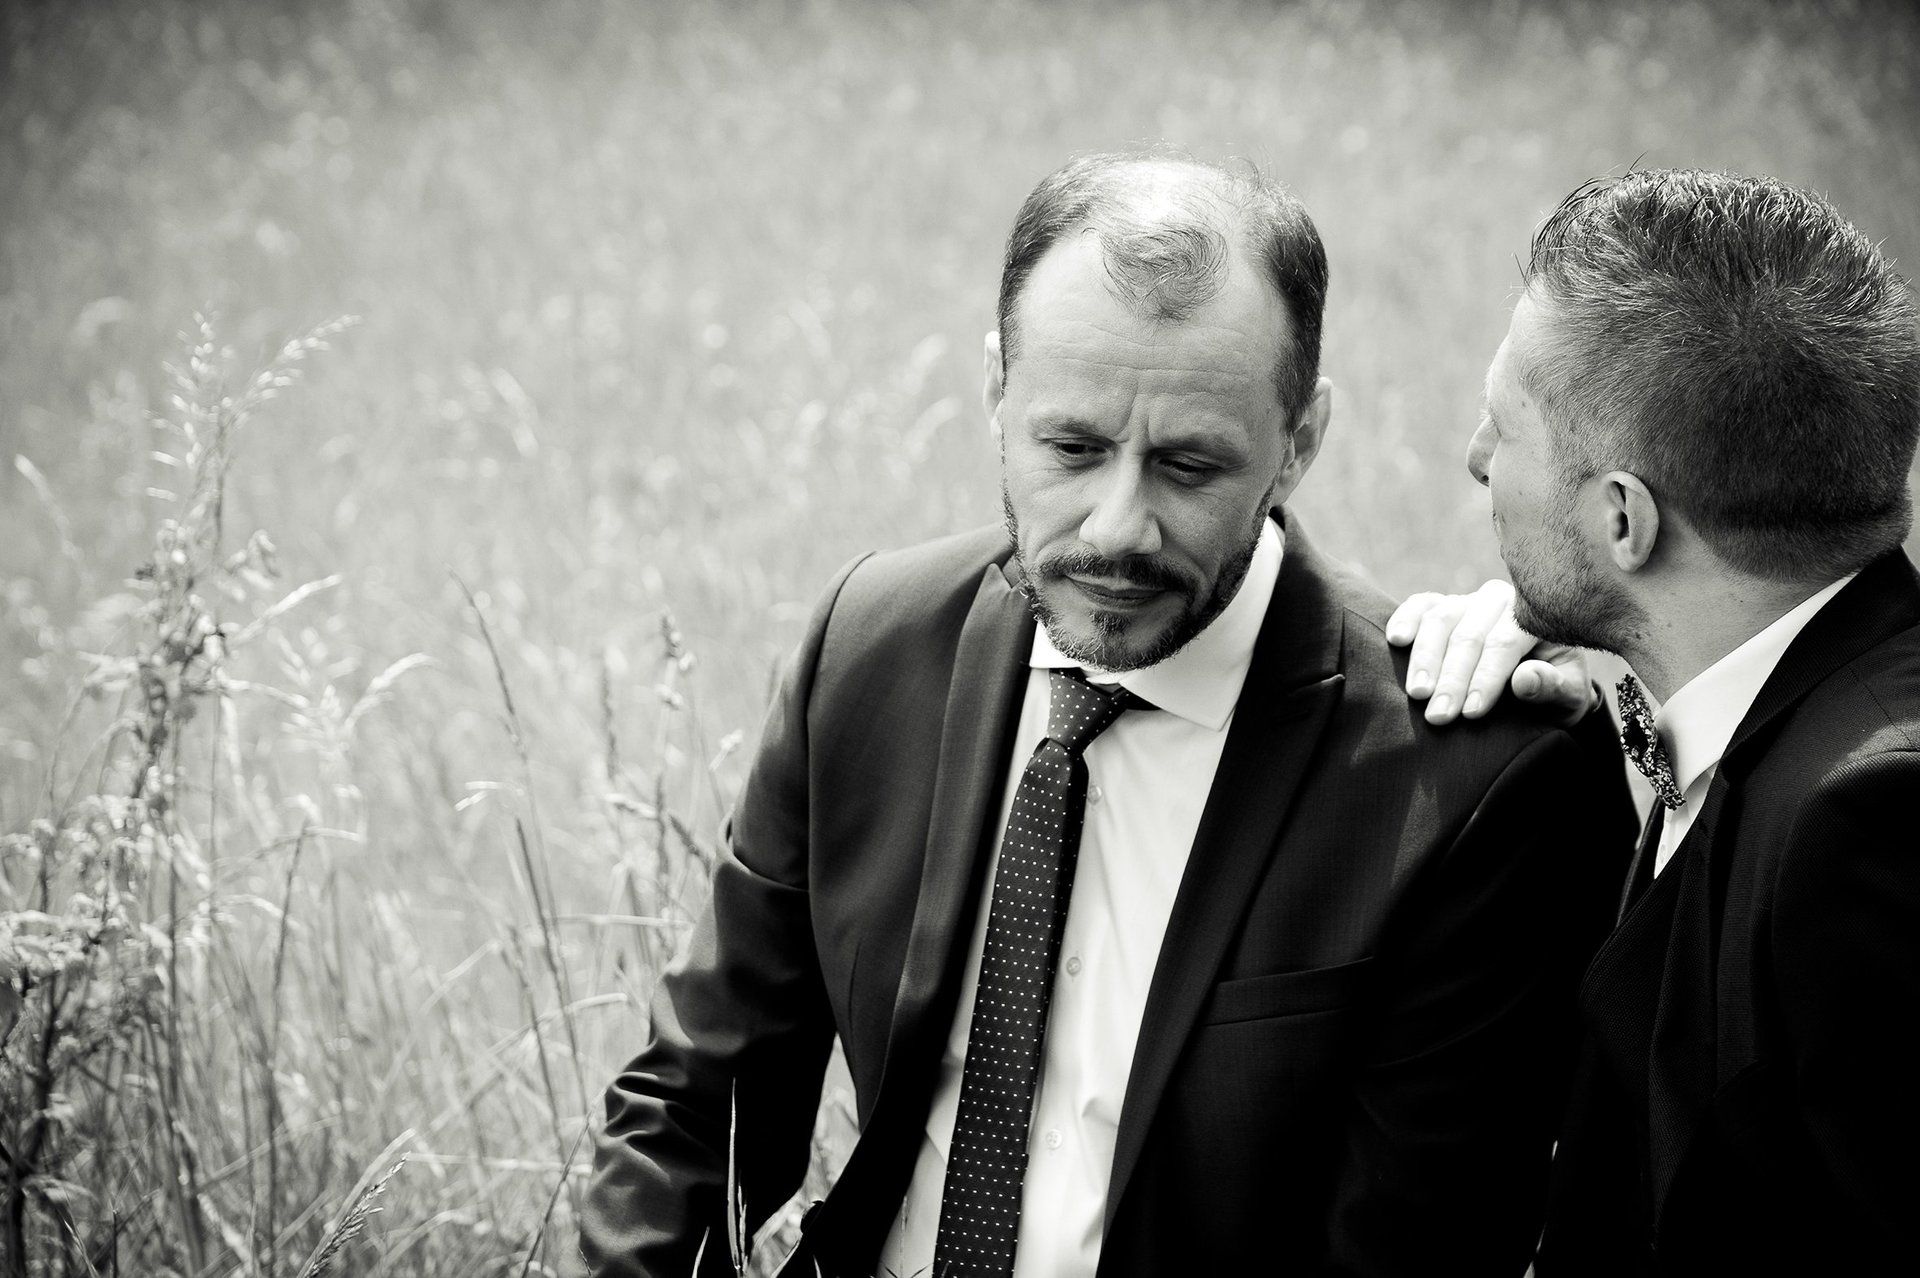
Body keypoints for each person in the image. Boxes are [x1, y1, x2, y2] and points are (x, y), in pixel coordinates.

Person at [578, 152, 1633, 1278]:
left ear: (1301, 441)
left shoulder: (1468, 782)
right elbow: (695, 1105)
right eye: (1072, 448)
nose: (1118, 529)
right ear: (995, 390)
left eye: (1188, 465)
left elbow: (1408, 1258)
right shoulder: (869, 646)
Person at [1419, 168, 1920, 1274]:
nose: (1474, 458)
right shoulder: (1772, 712)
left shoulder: (1874, 827)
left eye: (1508, 429)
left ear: (1623, 519)